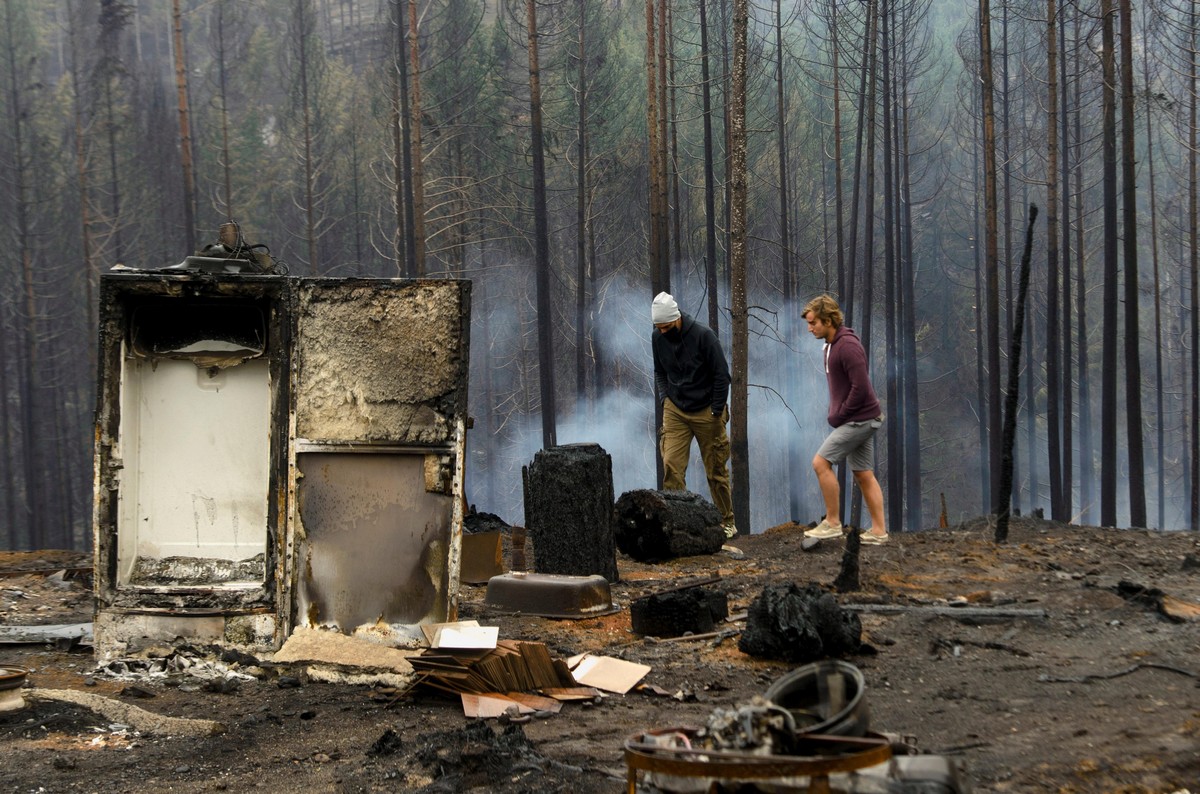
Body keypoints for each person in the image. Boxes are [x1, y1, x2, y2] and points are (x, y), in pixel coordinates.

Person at [801, 294, 889, 544]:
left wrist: (840, 414)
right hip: (860, 418)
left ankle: (832, 522)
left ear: (828, 320)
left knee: (820, 463)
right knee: (863, 473)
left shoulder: (847, 346)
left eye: (813, 323)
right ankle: (879, 531)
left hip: (860, 420)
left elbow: (860, 387)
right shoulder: (831, 344)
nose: (810, 328)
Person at [651, 291, 737, 539]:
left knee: (716, 469)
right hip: (675, 409)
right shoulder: (658, 337)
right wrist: (665, 399)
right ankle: (678, 523)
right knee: (671, 466)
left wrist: (716, 410)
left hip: (707, 410)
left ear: (676, 318)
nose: (663, 332)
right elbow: (659, 372)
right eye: (659, 328)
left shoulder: (703, 336)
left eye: (667, 327)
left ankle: (727, 522)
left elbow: (722, 375)